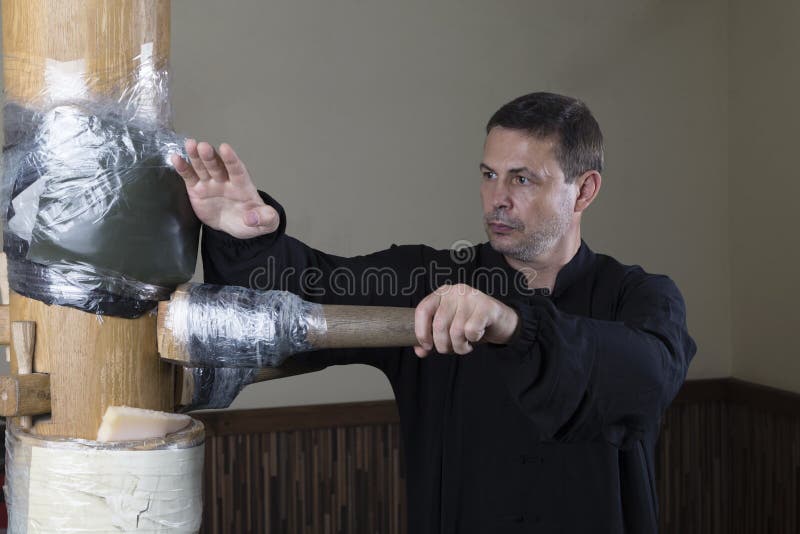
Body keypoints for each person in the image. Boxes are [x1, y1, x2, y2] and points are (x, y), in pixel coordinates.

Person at [172, 92, 696, 533]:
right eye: (489, 175)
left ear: (583, 190)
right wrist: (246, 235)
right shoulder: (430, 283)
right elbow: (302, 288)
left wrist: (512, 324)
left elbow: (646, 379)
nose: (497, 199)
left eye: (522, 179)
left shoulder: (640, 297)